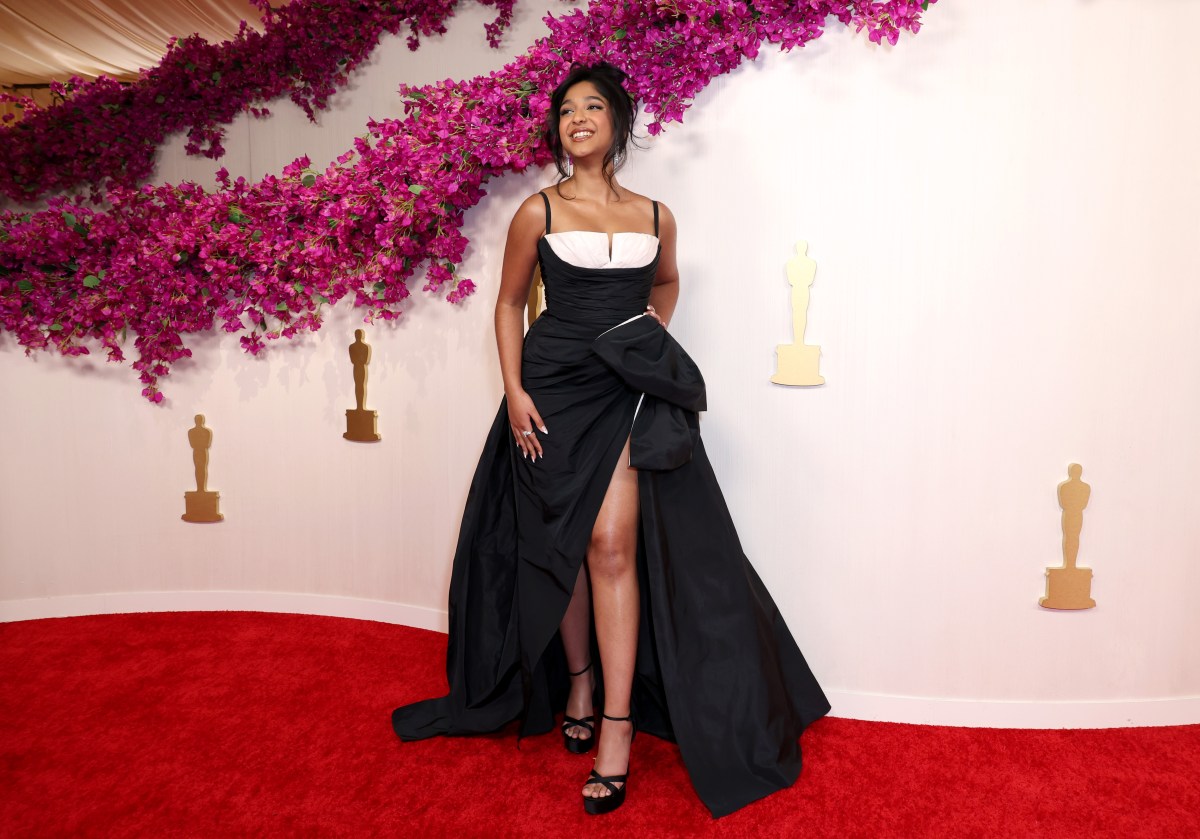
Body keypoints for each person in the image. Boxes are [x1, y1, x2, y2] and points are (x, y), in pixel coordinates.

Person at [392, 62, 830, 818]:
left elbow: (664, 285)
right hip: (553, 392)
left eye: (592, 107)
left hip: (625, 393)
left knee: (611, 545)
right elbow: (505, 305)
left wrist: (646, 342)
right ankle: (581, 682)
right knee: (561, 541)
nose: (577, 119)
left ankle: (618, 726)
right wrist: (516, 390)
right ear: (557, 130)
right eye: (565, 111)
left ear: (618, 122)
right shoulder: (537, 211)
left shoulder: (657, 216)